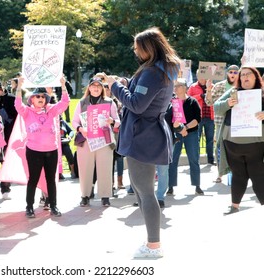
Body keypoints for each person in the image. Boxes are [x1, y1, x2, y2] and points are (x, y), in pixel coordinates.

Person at [105, 27, 180, 258]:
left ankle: (154, 246)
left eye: (138, 48)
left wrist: (115, 86)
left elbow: (136, 104)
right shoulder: (163, 69)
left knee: (145, 192)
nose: (136, 52)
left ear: (148, 48)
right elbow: (143, 97)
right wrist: (127, 84)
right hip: (148, 132)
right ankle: (151, 241)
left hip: (142, 134)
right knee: (141, 190)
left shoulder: (153, 72)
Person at [214, 67, 264, 215]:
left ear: (256, 77)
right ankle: (234, 206)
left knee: (259, 176)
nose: (245, 77)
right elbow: (217, 108)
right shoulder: (233, 92)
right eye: (243, 75)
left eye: (249, 75)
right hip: (232, 145)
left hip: (258, 145)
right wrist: (227, 103)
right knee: (238, 176)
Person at [15, 76, 70, 218]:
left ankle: (53, 206)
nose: (40, 98)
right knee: (33, 179)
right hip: (34, 151)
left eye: (43, 96)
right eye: (37, 96)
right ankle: (29, 207)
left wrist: (63, 85)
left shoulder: (51, 110)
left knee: (51, 179)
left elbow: (65, 103)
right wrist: (19, 87)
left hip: (51, 150)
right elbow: (17, 105)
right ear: (32, 99)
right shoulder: (27, 112)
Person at [72, 77, 120, 207]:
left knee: (105, 168)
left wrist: (112, 121)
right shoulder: (82, 102)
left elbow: (118, 121)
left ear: (102, 88)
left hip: (104, 140)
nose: (96, 88)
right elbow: (74, 121)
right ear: (89, 87)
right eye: (93, 86)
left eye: (99, 86)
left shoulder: (109, 102)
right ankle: (85, 195)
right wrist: (80, 129)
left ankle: (105, 196)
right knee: (85, 169)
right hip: (86, 140)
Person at [167, 78, 203, 195]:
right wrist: (179, 129)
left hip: (191, 133)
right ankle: (170, 186)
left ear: (184, 87)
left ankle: (197, 185)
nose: (175, 88)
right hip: (176, 134)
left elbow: (197, 119)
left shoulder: (192, 102)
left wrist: (185, 128)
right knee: (173, 160)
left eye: (178, 86)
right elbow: (168, 119)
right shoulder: (172, 102)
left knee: (193, 159)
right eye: (174, 86)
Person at [205, 64, 239, 183]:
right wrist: (209, 89)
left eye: (235, 72)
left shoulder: (242, 87)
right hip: (221, 122)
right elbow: (209, 102)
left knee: (236, 149)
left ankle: (237, 174)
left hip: (238, 123)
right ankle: (220, 174)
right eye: (231, 72)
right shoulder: (219, 86)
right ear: (227, 73)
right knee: (219, 147)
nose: (233, 74)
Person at [188, 70, 215, 165]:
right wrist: (200, 96)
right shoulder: (193, 87)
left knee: (210, 140)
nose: (202, 78)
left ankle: (211, 160)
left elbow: (215, 98)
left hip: (209, 116)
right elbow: (188, 99)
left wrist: (208, 90)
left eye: (203, 76)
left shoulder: (211, 86)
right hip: (198, 117)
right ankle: (197, 161)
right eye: (200, 76)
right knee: (196, 139)